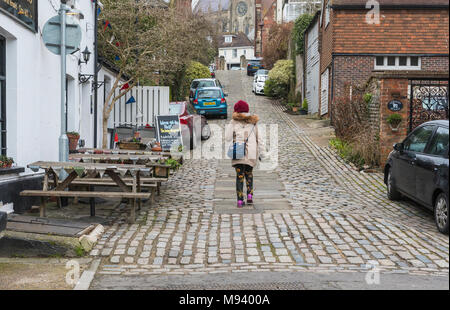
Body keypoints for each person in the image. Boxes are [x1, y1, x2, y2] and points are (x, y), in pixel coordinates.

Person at [225, 100, 265, 208]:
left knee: (240, 176)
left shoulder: (233, 122)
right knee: (249, 174)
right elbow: (259, 139)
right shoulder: (253, 122)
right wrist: (262, 153)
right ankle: (250, 196)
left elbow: (227, 137)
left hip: (238, 151)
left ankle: (239, 200)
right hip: (251, 153)